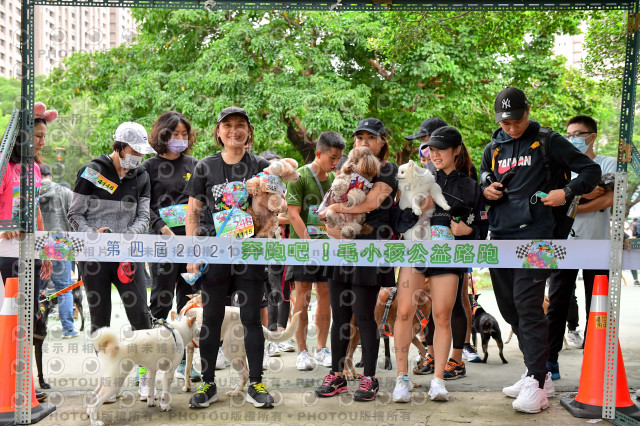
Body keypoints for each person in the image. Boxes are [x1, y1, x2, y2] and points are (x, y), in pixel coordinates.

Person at [480, 87, 600, 413]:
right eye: (505, 123)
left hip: (541, 239)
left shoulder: (549, 141)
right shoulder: (493, 147)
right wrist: (487, 189)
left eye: (516, 121)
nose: (511, 128)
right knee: (509, 308)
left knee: (528, 303)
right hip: (501, 236)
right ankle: (538, 373)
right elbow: (485, 179)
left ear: (528, 111)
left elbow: (591, 171)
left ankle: (536, 380)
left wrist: (567, 191)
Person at [184, 107, 275, 409]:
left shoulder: (262, 166)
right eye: (227, 125)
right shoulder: (205, 167)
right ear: (218, 132)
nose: (233, 130)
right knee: (211, 319)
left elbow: (272, 210)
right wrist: (193, 252)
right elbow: (193, 213)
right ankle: (208, 384)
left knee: (251, 319)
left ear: (249, 131)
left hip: (250, 254)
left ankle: (256, 383)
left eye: (240, 125)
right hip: (215, 254)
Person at [392, 126, 482, 403]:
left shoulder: (470, 185)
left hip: (447, 255)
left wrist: (468, 231)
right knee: (404, 312)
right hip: (415, 250)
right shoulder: (416, 178)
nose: (435, 154)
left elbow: (482, 223)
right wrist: (417, 211)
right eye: (431, 149)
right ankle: (401, 378)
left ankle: (438, 380)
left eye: (441, 149)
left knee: (442, 315)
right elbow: (397, 222)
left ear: (457, 150)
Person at [314, 118, 398, 402]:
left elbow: (372, 202)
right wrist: (331, 219)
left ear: (382, 142)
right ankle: (336, 375)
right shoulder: (346, 168)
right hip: (342, 248)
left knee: (363, 316)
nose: (364, 142)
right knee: (340, 316)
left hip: (370, 251)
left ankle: (369, 378)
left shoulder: (388, 170)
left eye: (371, 137)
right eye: (359, 137)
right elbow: (328, 208)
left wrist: (335, 207)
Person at [545, 115, 617, 378]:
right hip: (563, 246)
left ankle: (595, 361)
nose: (572, 138)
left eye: (578, 134)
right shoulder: (560, 166)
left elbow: (609, 198)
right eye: (568, 134)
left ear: (592, 136)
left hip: (597, 246)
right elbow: (552, 199)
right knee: (557, 303)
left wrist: (570, 199)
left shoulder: (607, 163)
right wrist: (582, 192)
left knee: (597, 305)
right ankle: (549, 361)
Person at [68, 121, 155, 336]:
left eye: (142, 152)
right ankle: (105, 359)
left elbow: (144, 216)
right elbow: (75, 214)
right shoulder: (92, 171)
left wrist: (129, 236)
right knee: (100, 319)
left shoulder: (142, 176)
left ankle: (143, 359)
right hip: (94, 257)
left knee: (141, 316)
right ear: (119, 147)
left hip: (128, 255)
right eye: (134, 151)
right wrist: (92, 235)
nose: (138, 156)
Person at [0, 102, 55, 402]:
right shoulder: (3, 167)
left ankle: (24, 384)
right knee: (7, 318)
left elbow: (36, 212)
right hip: (5, 254)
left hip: (28, 253)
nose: (42, 142)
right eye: (37, 136)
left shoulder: (33, 168)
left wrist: (44, 250)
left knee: (27, 319)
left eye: (44, 136)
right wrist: (3, 225)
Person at [142, 111, 200, 382]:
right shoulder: (148, 167)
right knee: (160, 301)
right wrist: (160, 227)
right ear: (163, 135)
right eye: (175, 134)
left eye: (184, 134)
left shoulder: (195, 165)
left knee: (188, 304)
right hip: (162, 244)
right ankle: (149, 363)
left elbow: (200, 203)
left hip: (189, 244)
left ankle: (184, 363)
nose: (180, 139)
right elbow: (143, 204)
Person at [285, 131, 345, 370]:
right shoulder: (299, 176)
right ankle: (302, 351)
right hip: (303, 246)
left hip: (327, 247)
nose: (335, 162)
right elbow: (293, 214)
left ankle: (321, 348)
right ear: (319, 153)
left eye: (339, 158)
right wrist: (307, 242)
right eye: (332, 157)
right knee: (302, 296)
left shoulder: (335, 181)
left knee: (325, 295)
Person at [39, 163, 78, 339]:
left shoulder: (29, 191)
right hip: (59, 241)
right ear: (50, 175)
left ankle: (33, 328)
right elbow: (75, 218)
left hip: (36, 241)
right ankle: (68, 329)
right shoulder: (64, 192)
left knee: (33, 287)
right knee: (64, 288)